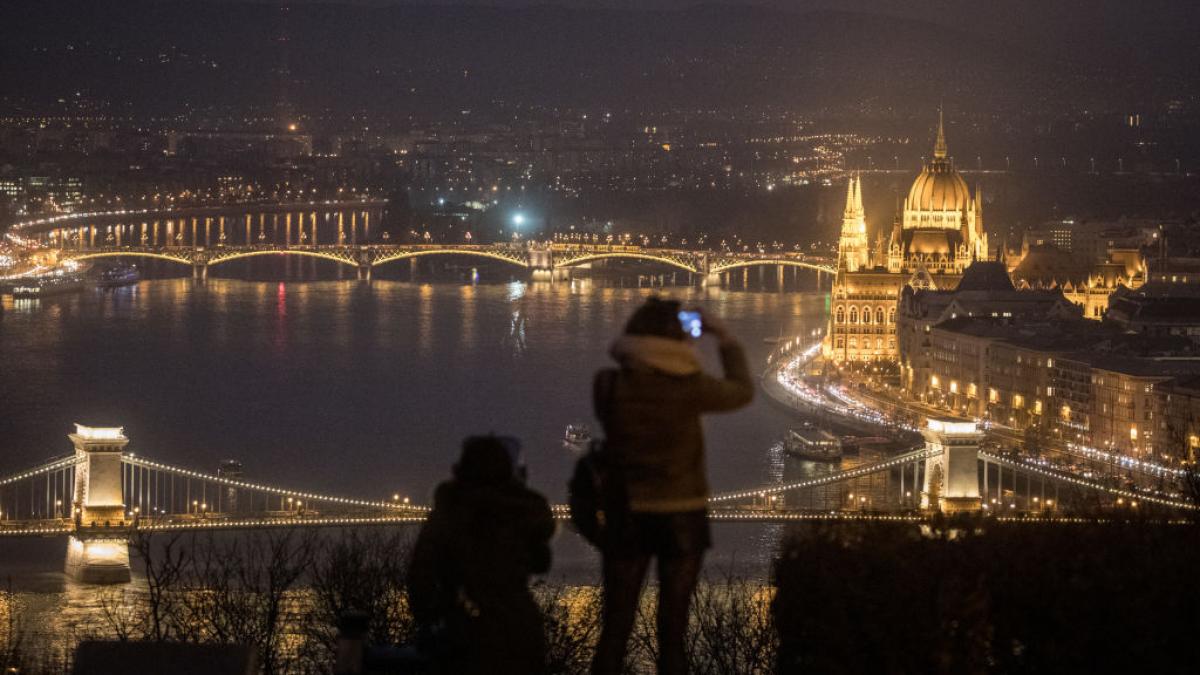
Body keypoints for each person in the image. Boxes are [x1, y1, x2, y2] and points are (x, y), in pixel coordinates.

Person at [591, 297, 754, 675]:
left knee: (614, 629)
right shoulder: (691, 387)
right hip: (682, 514)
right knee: (673, 634)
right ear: (679, 338)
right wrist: (725, 337)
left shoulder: (607, 384)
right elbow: (742, 391)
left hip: (626, 513)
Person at [407, 435, 555, 675]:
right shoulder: (522, 511)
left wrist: (432, 619)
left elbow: (420, 579)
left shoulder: (448, 511)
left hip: (461, 634)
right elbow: (542, 561)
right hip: (519, 631)